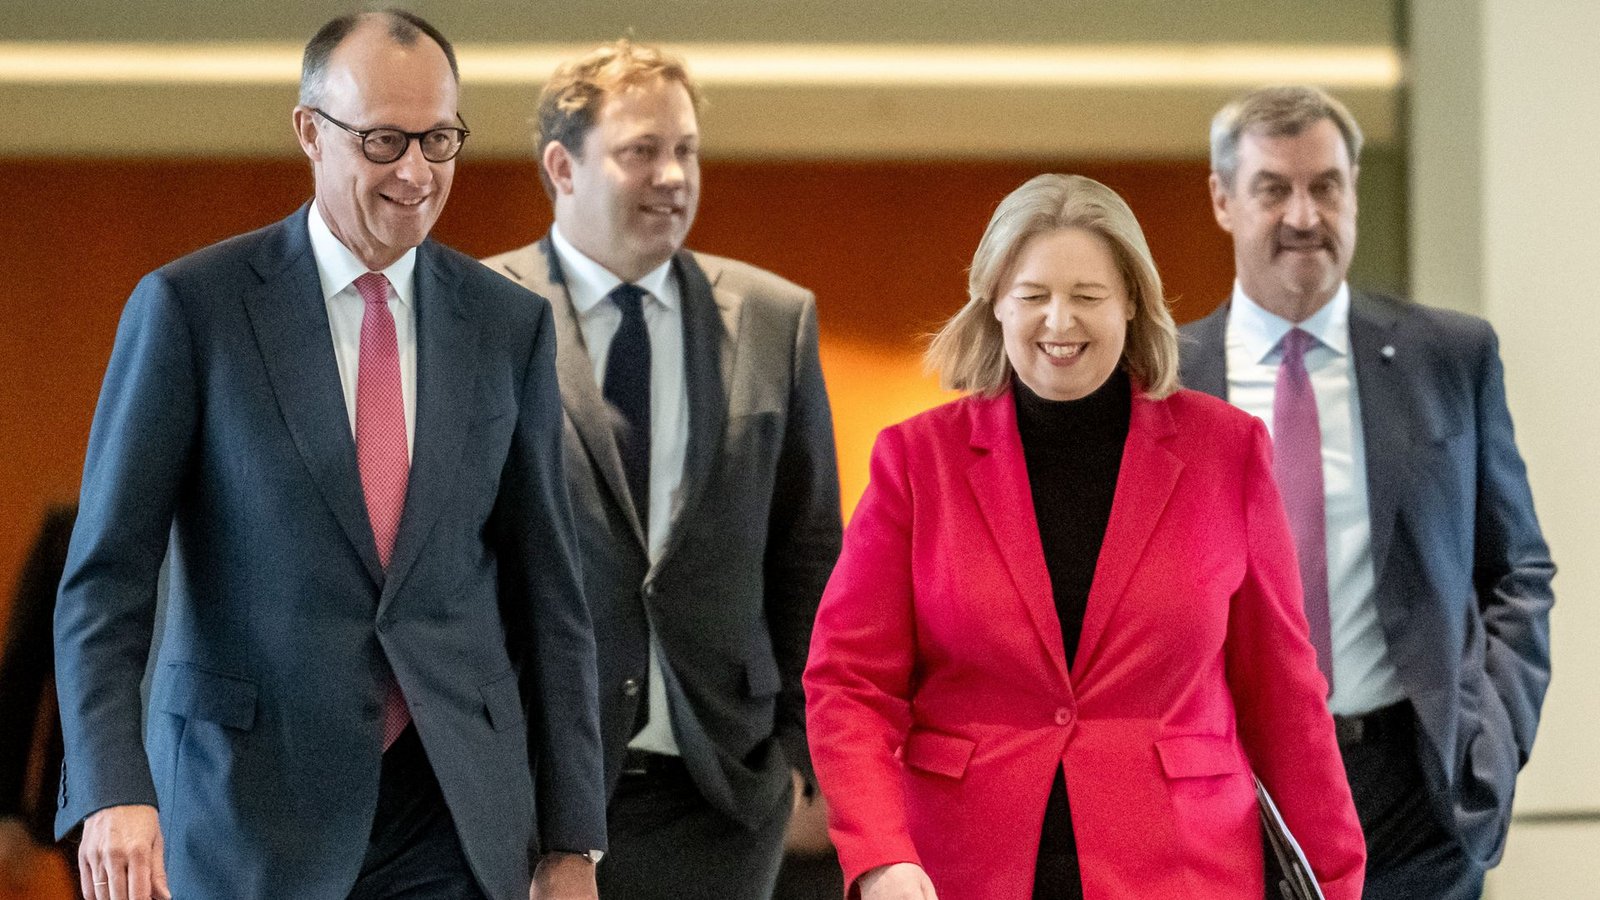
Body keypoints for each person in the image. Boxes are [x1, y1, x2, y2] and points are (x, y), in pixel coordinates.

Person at [52, 12, 606, 900]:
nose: (416, 173)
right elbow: (105, 581)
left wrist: (573, 841)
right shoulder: (195, 310)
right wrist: (113, 788)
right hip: (248, 807)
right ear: (311, 132)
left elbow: (552, 599)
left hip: (455, 811)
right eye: (385, 140)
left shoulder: (509, 327)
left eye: (439, 139)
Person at [804, 174, 1365, 900]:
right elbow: (850, 683)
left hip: (1184, 869)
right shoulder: (916, 462)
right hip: (962, 871)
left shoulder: (1227, 452)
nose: (1058, 321)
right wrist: (880, 853)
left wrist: (1337, 880)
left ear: (1132, 302)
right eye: (1033, 295)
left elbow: (1283, 698)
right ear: (996, 303)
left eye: (1088, 296)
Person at [482, 39, 842, 900]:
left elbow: (808, 550)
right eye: (641, 151)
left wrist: (796, 751)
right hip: (532, 788)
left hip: (725, 789)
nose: (674, 175)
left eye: (685, 150)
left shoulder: (773, 318)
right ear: (563, 168)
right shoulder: (480, 315)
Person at [1181, 85, 1555, 899]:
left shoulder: (1449, 358)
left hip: (1414, 790)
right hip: (1230, 786)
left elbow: (1517, 569)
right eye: (1273, 188)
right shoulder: (1165, 384)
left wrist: (1492, 738)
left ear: (1354, 186)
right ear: (1222, 200)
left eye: (1326, 185)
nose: (1304, 215)